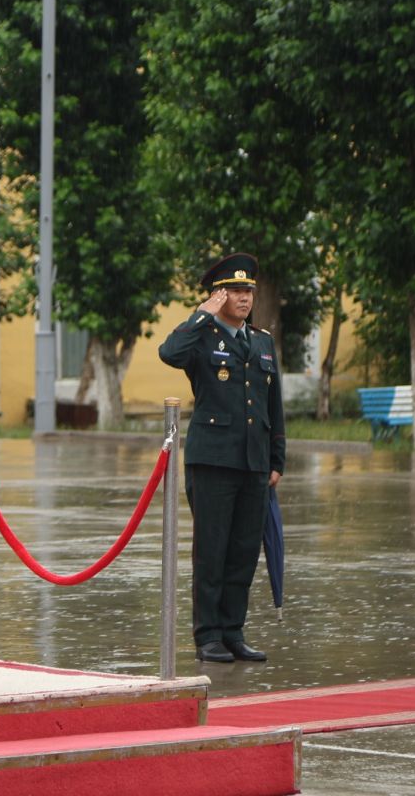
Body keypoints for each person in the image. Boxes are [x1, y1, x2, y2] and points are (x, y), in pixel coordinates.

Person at [158, 252, 285, 664]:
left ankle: (233, 631)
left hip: (253, 462)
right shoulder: (202, 339)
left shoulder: (262, 341)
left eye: (248, 290)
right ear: (217, 296)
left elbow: (274, 408)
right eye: (234, 290)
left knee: (244, 551)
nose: (244, 297)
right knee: (211, 551)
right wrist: (200, 316)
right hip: (212, 462)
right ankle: (208, 636)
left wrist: (276, 460)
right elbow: (169, 353)